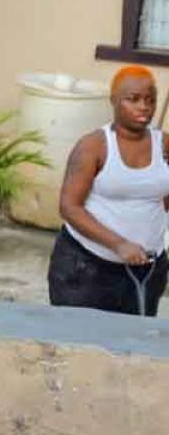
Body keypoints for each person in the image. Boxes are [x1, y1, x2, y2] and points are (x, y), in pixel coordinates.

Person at [51, 65, 169, 316]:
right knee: (80, 342)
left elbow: (162, 200)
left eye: (150, 100)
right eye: (133, 99)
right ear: (114, 100)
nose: (144, 107)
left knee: (132, 344)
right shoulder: (94, 146)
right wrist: (119, 244)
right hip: (87, 269)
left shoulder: (164, 144)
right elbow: (69, 207)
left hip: (146, 270)